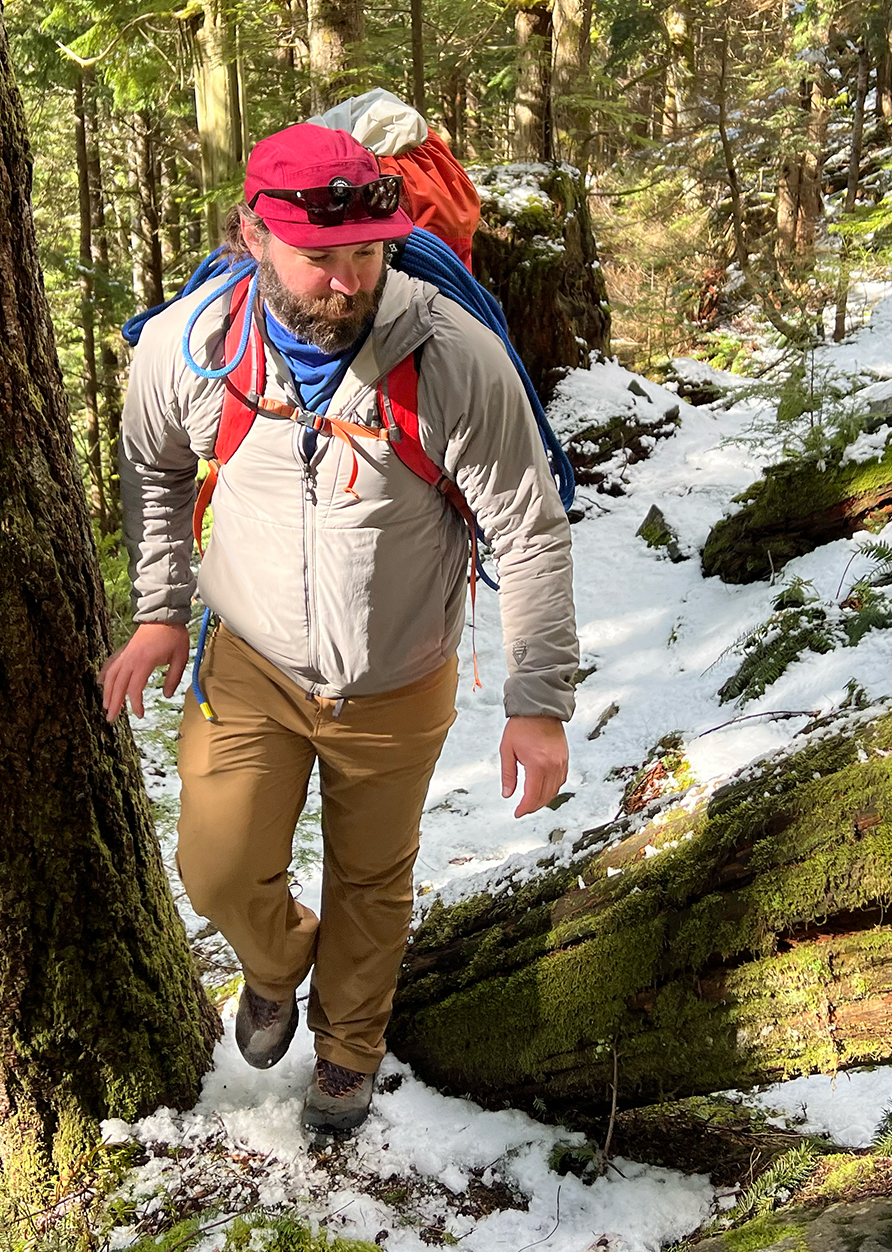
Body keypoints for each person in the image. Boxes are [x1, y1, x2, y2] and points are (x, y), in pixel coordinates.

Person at [100, 122, 578, 1134]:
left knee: (372, 874)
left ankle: (349, 1047)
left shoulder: (450, 358)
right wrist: (157, 612)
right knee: (215, 866)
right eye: (319, 259)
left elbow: (528, 531)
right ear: (254, 236)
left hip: (398, 673)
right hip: (249, 661)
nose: (346, 282)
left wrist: (537, 702)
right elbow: (154, 468)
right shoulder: (188, 350)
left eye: (367, 252)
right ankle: (275, 962)